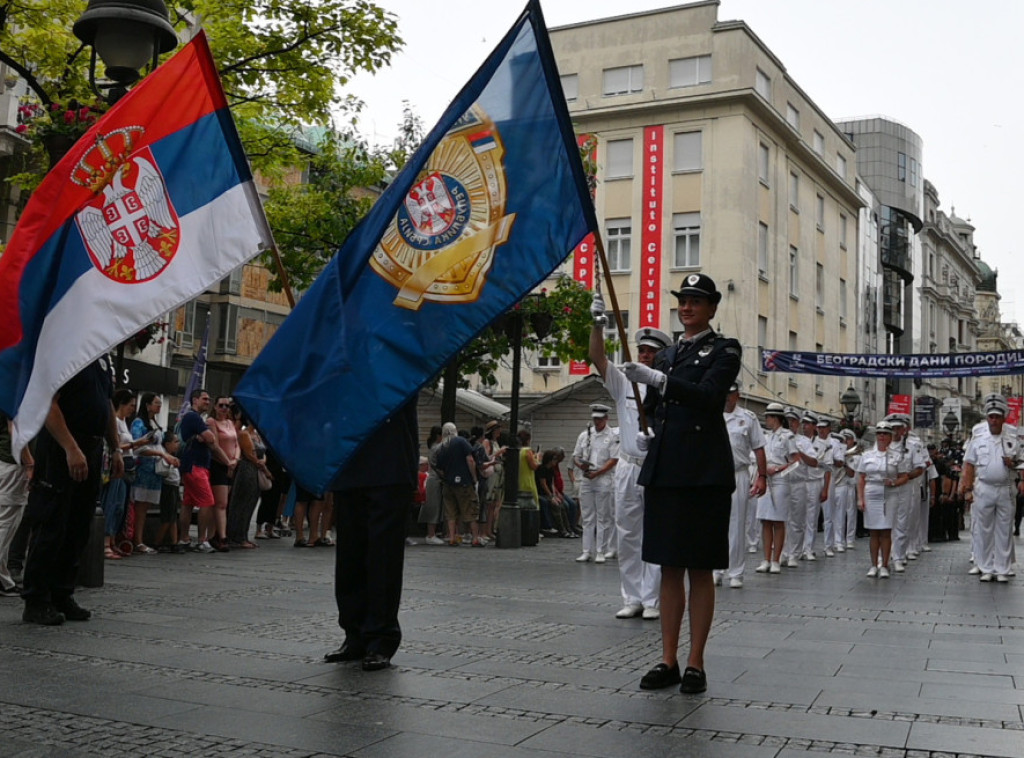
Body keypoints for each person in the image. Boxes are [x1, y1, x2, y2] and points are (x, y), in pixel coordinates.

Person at [622, 273, 740, 695]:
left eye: (695, 301)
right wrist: (646, 430)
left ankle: (696, 662)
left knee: (700, 567)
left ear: (711, 307)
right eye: (682, 300)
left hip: (703, 471)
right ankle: (668, 658)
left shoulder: (724, 349)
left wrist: (657, 379)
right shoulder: (669, 353)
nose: (686, 307)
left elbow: (709, 396)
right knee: (668, 565)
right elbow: (654, 408)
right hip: (667, 468)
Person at [20, 357, 124, 625]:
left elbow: (108, 407)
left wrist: (116, 448)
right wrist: (70, 448)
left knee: (78, 526)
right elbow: (49, 405)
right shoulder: (67, 351)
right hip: (61, 447)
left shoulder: (100, 359)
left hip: (91, 446)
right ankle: (36, 599)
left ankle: (61, 593)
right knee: (51, 523)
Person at [588, 297, 668, 619]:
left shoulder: (666, 385)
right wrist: (597, 325)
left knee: (655, 533)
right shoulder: (625, 382)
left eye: (651, 352)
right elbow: (597, 357)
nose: (645, 356)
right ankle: (632, 596)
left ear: (661, 355)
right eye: (642, 351)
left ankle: (652, 599)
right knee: (628, 533)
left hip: (656, 468)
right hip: (627, 466)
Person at [324, 399, 418, 671]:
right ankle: (354, 635)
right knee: (349, 558)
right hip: (352, 462)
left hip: (390, 465)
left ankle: (380, 638)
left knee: (383, 558)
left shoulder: (398, 360)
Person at [959, 396, 1018, 582]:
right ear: (987, 418)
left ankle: (1002, 568)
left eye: (997, 417)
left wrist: (1014, 463)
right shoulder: (978, 438)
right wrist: (967, 489)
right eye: (991, 416)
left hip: (1006, 488)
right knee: (983, 529)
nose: (994, 420)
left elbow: (1022, 462)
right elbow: (969, 464)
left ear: (1003, 418)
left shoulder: (1013, 438)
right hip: (984, 487)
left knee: (1004, 529)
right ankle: (986, 567)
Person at [717, 383, 766, 588]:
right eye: (724, 394)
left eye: (730, 394)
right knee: (715, 524)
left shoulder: (748, 418)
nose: (727, 398)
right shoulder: (711, 414)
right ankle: (716, 569)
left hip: (739, 474)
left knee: (737, 524)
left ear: (737, 395)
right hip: (715, 475)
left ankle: (735, 571)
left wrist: (762, 476)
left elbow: (759, 449)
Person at [177, 388, 230, 553]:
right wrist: (206, 437)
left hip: (193, 465)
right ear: (195, 400)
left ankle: (184, 538)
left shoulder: (195, 418)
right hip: (196, 466)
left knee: (188, 503)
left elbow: (208, 438)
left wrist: (206, 437)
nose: (207, 402)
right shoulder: (194, 417)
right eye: (204, 399)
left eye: (208, 399)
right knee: (207, 502)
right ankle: (201, 540)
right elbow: (211, 438)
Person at [856, 420, 909, 578]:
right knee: (873, 532)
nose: (882, 436)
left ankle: (885, 565)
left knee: (886, 531)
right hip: (871, 491)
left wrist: (894, 482)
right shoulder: (866, 455)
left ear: (891, 437)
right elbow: (861, 478)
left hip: (889, 493)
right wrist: (860, 499)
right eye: (879, 433)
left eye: (885, 434)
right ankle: (873, 564)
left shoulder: (897, 456)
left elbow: (904, 476)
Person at [130, 392, 178, 554]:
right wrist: (162, 454)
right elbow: (138, 447)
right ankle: (137, 540)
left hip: (154, 470)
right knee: (141, 506)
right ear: (147, 405)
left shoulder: (154, 423)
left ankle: (139, 539)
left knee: (146, 505)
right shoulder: (139, 423)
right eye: (156, 403)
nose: (159, 406)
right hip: (144, 468)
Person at [572, 404, 618, 563]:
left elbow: (614, 459)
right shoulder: (585, 435)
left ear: (606, 418)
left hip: (603, 478)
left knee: (603, 517)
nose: (596, 422)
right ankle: (586, 551)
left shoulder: (612, 436)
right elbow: (576, 456)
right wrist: (581, 466)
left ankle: (601, 550)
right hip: (586, 478)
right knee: (587, 517)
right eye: (594, 419)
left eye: (599, 419)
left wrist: (597, 473)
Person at [754, 403, 797, 574]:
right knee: (765, 520)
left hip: (780, 480)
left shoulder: (788, 437)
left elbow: (796, 462)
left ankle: (776, 559)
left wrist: (778, 469)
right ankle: (765, 559)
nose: (767, 420)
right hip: (766, 478)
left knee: (778, 521)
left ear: (776, 418)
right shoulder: (765, 436)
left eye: (769, 417)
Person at [431, 422, 484, 547]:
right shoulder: (461, 442)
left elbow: (439, 468)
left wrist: (446, 476)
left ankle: (452, 538)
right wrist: (474, 478)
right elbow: (470, 460)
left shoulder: (441, 447)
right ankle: (475, 538)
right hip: (464, 482)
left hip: (448, 484)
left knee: (451, 512)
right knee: (470, 510)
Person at [0, 411, 32, 596]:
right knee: (6, 524)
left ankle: (4, 579)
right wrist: (29, 463)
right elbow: (15, 430)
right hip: (13, 463)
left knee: (6, 523)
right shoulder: (16, 394)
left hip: (9, 462)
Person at [419, 425, 445, 545]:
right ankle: (431, 534)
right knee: (434, 507)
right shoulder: (438, 448)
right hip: (435, 479)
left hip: (434, 479)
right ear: (439, 436)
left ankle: (432, 533)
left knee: (435, 506)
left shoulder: (433, 447)